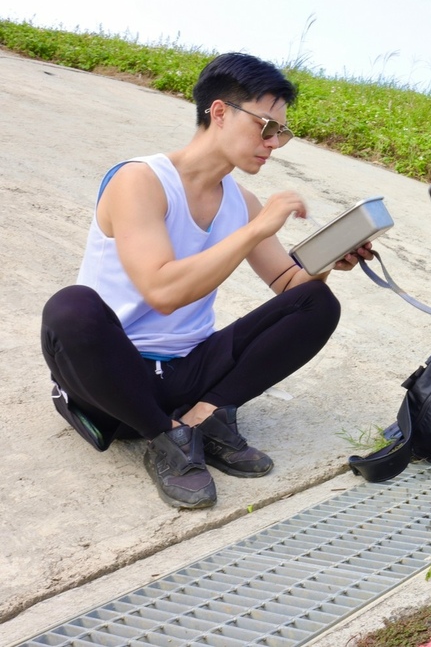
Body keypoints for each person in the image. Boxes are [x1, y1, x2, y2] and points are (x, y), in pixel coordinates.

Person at [39, 53, 374, 509]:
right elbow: (163, 292)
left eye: (282, 133)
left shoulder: (243, 202)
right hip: (113, 378)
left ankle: (205, 416)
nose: (274, 143)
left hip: (189, 371)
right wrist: (255, 230)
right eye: (266, 127)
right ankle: (167, 438)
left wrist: (332, 259)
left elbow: (290, 286)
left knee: (318, 301)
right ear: (219, 112)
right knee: (71, 308)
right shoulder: (140, 180)